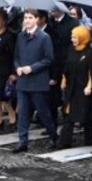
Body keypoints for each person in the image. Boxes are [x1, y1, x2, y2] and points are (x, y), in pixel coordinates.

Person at [13, 9, 58, 153]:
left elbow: (49, 59)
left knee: (43, 112)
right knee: (23, 113)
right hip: (23, 81)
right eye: (25, 18)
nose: (27, 20)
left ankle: (53, 136)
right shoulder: (21, 36)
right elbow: (16, 56)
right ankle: (22, 141)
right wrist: (18, 67)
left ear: (37, 20)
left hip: (38, 81)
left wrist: (32, 68)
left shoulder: (44, 37)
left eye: (30, 18)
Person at [58, 25, 92, 149]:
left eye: (74, 37)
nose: (72, 39)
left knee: (86, 115)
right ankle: (64, 141)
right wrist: (64, 80)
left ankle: (89, 140)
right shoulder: (71, 49)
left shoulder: (90, 53)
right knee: (68, 114)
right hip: (72, 87)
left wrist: (89, 86)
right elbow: (67, 66)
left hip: (83, 88)